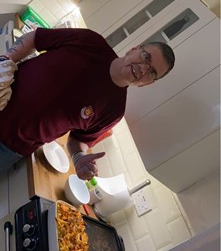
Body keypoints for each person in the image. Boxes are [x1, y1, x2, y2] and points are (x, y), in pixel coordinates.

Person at [0, 27, 175, 179]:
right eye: (145, 57)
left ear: (148, 83)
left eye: (152, 72)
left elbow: (78, 140)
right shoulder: (90, 41)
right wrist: (5, 61)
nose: (144, 68)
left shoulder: (114, 111)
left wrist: (78, 158)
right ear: (133, 49)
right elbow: (35, 38)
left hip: (9, 149)